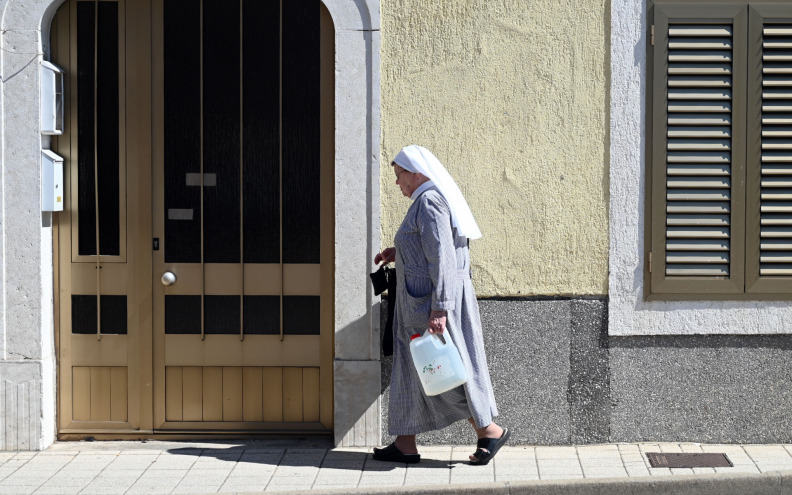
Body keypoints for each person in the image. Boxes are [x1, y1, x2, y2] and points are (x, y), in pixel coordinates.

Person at [373, 145, 509, 466]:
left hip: (428, 307)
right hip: (417, 306)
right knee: (412, 372)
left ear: (416, 172)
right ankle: (405, 444)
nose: (397, 183)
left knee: (444, 371)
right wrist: (399, 253)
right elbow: (429, 247)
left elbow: (443, 259)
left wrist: (440, 309)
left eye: (399, 175)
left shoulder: (429, 201)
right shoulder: (424, 202)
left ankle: (488, 429)